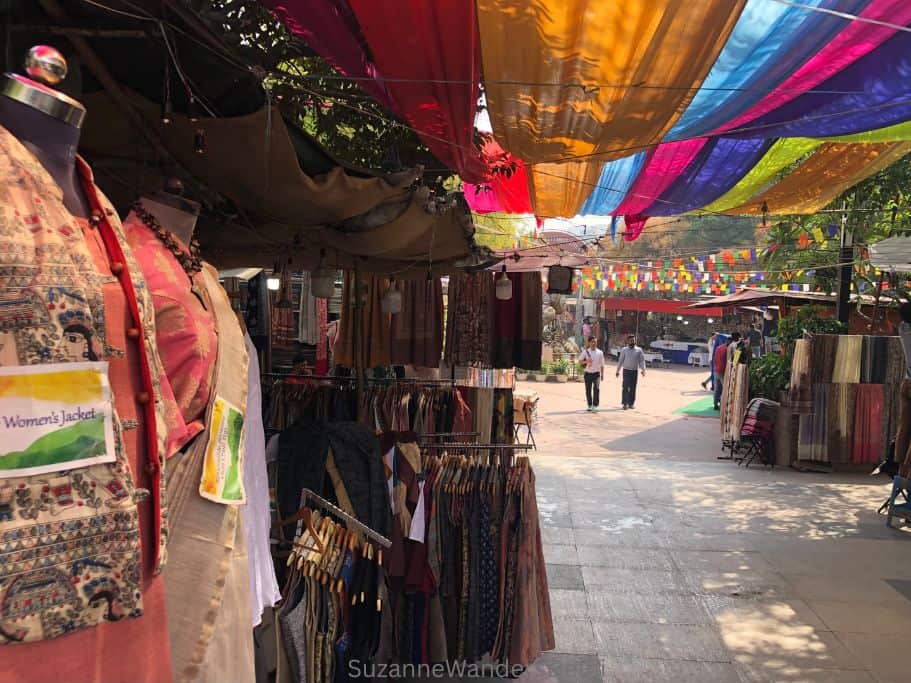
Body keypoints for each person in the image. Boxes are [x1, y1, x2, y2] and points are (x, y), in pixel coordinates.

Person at [894, 303, 911, 474]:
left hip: (907, 383)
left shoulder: (903, 329)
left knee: (904, 428)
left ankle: (900, 468)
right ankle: (908, 470)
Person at [616, 334, 646, 409]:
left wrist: (643, 370)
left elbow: (641, 361)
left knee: (633, 388)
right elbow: (621, 361)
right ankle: (625, 404)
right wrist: (618, 370)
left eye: (633, 340)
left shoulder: (639, 350)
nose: (632, 342)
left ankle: (631, 403)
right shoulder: (624, 350)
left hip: (634, 371)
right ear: (628, 341)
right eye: (631, 340)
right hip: (626, 371)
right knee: (625, 387)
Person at [578, 336, 605, 412]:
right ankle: (590, 405)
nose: (594, 343)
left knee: (596, 389)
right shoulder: (586, 352)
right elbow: (579, 361)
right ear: (589, 343)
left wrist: (602, 375)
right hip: (588, 374)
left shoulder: (600, 352)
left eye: (595, 342)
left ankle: (595, 406)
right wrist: (587, 361)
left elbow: (602, 364)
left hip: (596, 374)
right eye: (592, 342)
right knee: (588, 390)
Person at [712, 335, 730, 410]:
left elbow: (714, 358)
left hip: (716, 370)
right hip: (723, 371)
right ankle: (722, 405)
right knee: (725, 388)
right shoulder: (728, 349)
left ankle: (715, 404)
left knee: (717, 389)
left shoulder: (718, 348)